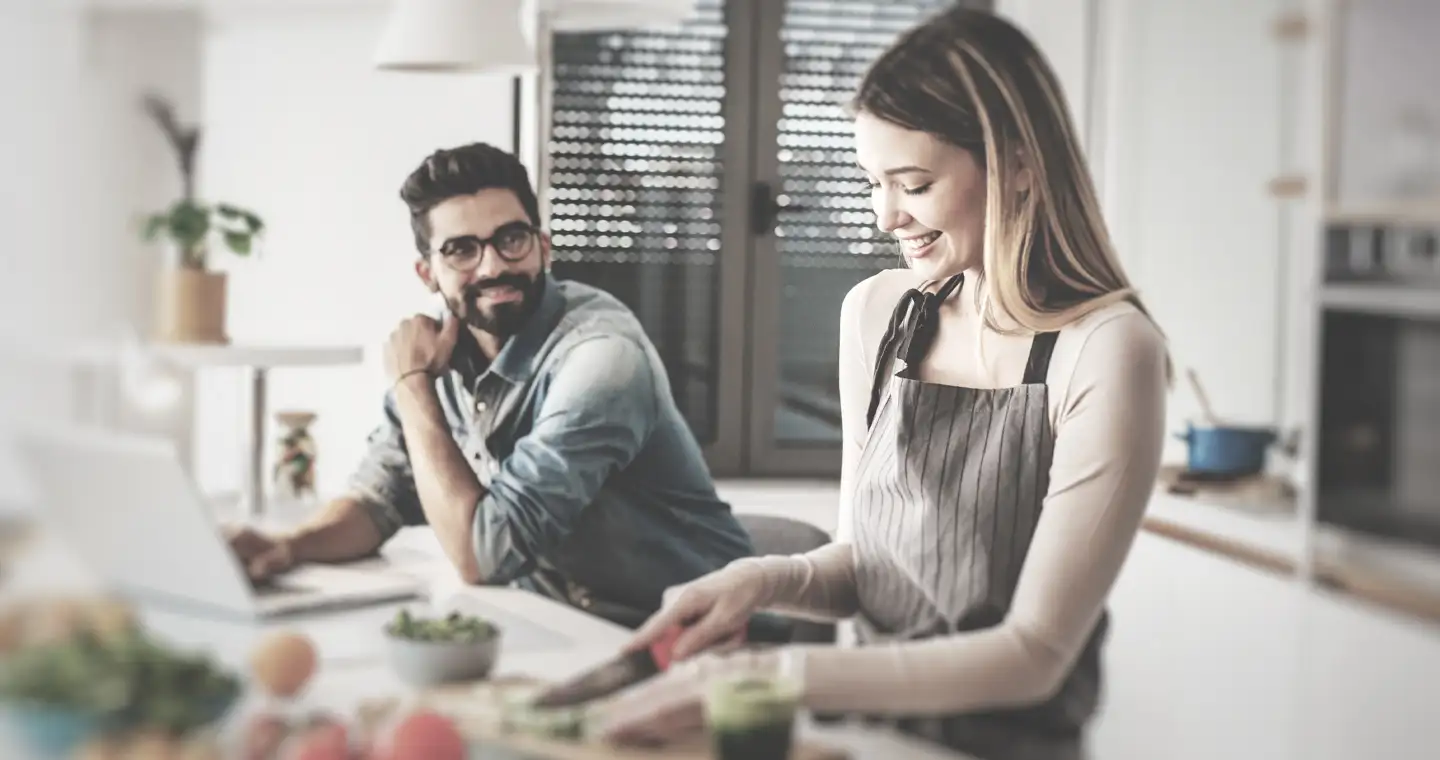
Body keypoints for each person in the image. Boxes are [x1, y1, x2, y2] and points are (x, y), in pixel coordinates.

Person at [593, 8, 1170, 759]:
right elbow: (866, 564)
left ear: (1021, 162)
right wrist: (759, 581)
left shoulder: (1108, 351)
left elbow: (1034, 656)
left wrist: (776, 674)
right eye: (873, 182)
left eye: (915, 183)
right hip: (858, 739)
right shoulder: (878, 314)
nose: (885, 216)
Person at [226, 142, 756, 628]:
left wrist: (412, 387)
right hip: (561, 621)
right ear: (427, 273)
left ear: (543, 246)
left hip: (700, 635)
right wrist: (288, 547)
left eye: (511, 239)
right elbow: (378, 500)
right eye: (460, 249)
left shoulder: (602, 361)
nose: (493, 266)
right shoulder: (442, 356)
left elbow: (483, 554)